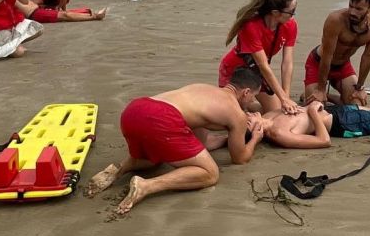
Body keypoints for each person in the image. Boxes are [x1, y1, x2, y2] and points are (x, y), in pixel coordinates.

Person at [84, 67, 267, 215]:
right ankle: (146, 186)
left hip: (135, 110)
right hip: (161, 118)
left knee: (156, 156)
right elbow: (239, 158)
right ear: (246, 92)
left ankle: (117, 170)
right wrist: (256, 138)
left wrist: (227, 138)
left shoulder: (203, 89)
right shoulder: (236, 112)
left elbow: (201, 144)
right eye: (254, 97)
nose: (253, 102)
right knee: (210, 174)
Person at [219, 0, 300, 115]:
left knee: (277, 112)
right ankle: (241, 107)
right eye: (292, 11)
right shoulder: (251, 26)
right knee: (230, 115)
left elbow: (287, 63)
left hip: (257, 72)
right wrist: (283, 98)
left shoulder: (290, 25)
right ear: (275, 12)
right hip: (237, 70)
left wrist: (286, 96)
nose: (293, 15)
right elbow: (264, 66)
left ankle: (249, 106)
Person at [304, 0, 370, 106]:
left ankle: (330, 97)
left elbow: (368, 56)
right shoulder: (335, 20)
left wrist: (359, 88)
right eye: (351, 6)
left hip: (342, 66)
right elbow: (327, 56)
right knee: (316, 106)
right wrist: (321, 90)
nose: (352, 12)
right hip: (319, 63)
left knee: (357, 105)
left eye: (358, 9)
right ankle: (313, 93)